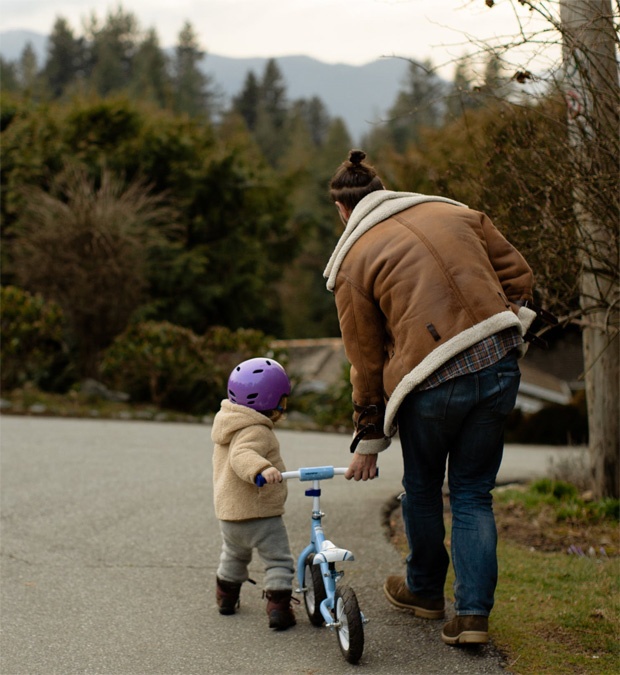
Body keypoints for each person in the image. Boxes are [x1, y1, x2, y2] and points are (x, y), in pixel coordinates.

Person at [325, 149, 537, 645]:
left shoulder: (354, 260)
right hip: (499, 361)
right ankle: (472, 617)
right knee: (472, 493)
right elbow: (520, 278)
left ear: (342, 211)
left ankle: (423, 590)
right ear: (383, 190)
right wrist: (508, 327)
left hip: (431, 382)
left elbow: (367, 360)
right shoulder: (458, 212)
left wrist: (368, 436)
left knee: (422, 488)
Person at [211, 356, 297, 630]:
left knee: (234, 556)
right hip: (260, 514)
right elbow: (242, 456)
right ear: (276, 400)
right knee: (278, 560)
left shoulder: (229, 423)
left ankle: (226, 596)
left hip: (230, 516)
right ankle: (279, 609)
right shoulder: (257, 430)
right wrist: (261, 469)